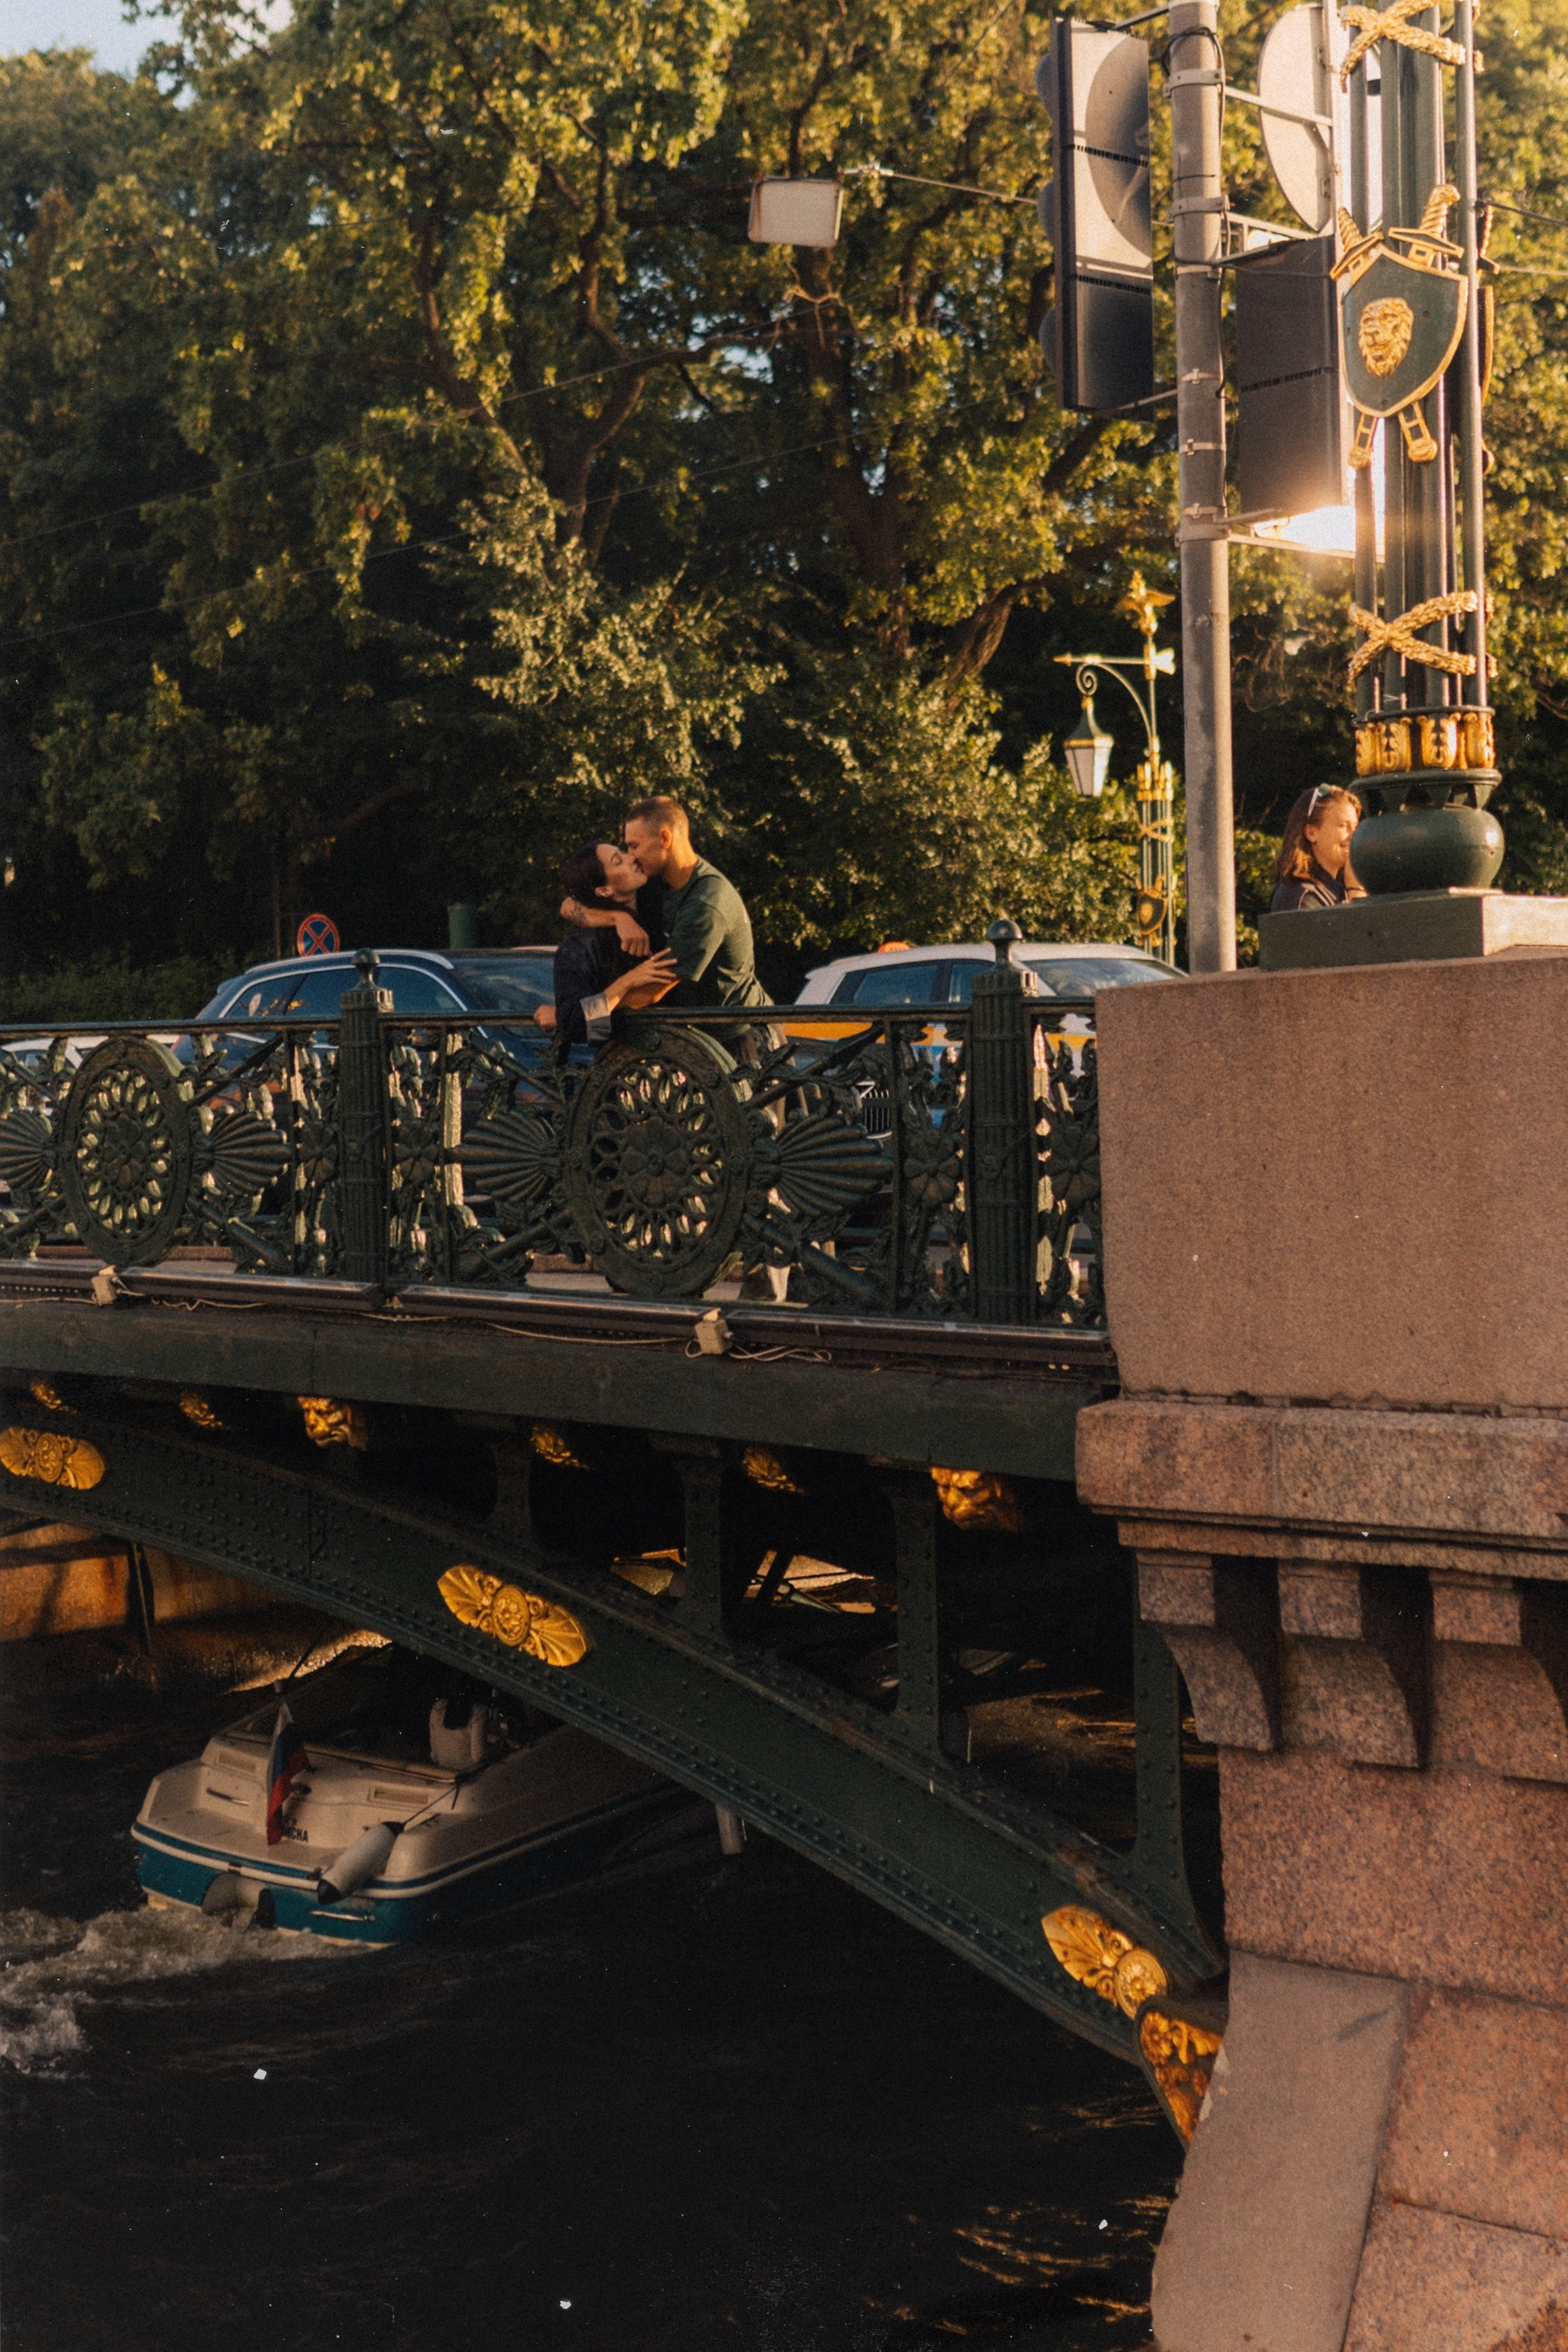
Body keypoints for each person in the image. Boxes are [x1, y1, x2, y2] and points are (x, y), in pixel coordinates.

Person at [563, 797, 769, 1017]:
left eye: (634, 846)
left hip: (736, 1034)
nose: (631, 856)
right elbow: (568, 906)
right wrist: (619, 918)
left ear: (664, 838)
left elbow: (650, 993)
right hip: (694, 1033)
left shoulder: (705, 903)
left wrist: (570, 1016)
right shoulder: (651, 880)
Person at [541, 841, 676, 1047]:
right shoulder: (580, 948)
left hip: (682, 1057)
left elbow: (568, 906)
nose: (632, 857)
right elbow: (581, 1029)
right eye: (618, 861)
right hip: (622, 1065)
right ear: (604, 890)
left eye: (623, 852)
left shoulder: (664, 904)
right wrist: (628, 982)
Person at [1270, 785, 1364, 912]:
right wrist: (1357, 895)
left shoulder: (1336, 892)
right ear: (1311, 833)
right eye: (1343, 826)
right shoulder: (1302, 896)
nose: (1354, 835)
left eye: (1355, 826)